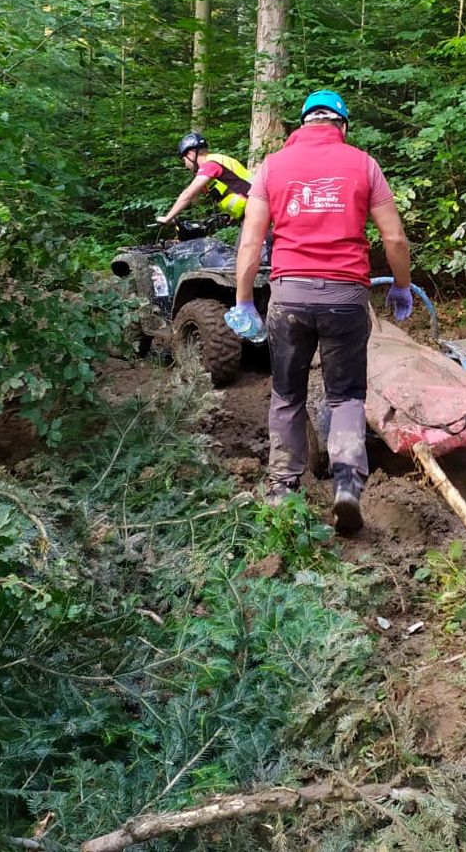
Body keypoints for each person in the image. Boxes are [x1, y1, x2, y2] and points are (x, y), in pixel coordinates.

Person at [226, 90, 415, 534]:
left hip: (289, 297)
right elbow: (395, 239)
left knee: (287, 393)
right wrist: (402, 286)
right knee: (347, 394)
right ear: (342, 126)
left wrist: (243, 300)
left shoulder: (271, 166)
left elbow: (251, 242)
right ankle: (347, 482)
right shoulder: (364, 164)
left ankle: (282, 488)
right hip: (346, 297)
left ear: (303, 125)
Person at [156, 132, 252, 227]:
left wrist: (168, 218)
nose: (185, 165)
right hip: (254, 209)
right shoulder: (219, 159)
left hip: (256, 209)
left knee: (248, 243)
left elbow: (188, 194)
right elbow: (237, 185)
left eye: (184, 160)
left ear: (190, 154)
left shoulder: (210, 164)